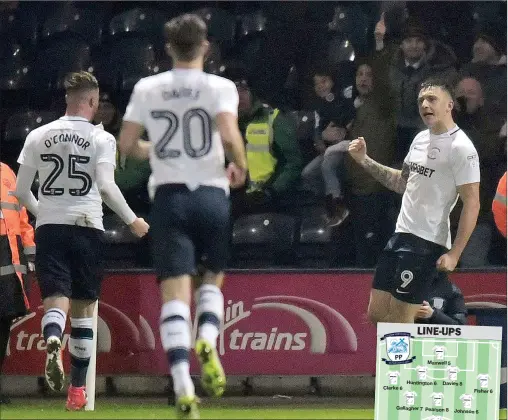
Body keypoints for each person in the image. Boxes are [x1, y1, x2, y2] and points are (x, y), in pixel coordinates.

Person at [118, 14, 247, 419]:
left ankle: (183, 384)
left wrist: (156, 149)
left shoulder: (147, 87)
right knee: (212, 279)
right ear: (205, 46)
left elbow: (126, 145)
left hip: (170, 198)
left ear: (168, 48)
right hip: (211, 194)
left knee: (174, 295)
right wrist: (240, 165)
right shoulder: (220, 86)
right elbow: (227, 133)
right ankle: (207, 337)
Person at [14, 71, 149, 411]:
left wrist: (45, 211)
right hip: (87, 225)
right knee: (85, 310)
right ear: (92, 101)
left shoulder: (37, 135)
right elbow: (105, 186)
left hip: (50, 227)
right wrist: (132, 220)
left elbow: (19, 191)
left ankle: (54, 336)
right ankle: (76, 391)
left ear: (66, 100)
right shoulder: (102, 139)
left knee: (55, 297)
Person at [349, 78, 480, 324]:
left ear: (449, 105)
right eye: (421, 100)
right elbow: (402, 183)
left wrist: (455, 253)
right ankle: (401, 361)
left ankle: (405, 363)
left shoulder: (461, 147)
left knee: (401, 320)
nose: (425, 104)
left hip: (426, 242)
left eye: (432, 99)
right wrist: (364, 160)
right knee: (376, 315)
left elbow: (472, 203)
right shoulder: (420, 139)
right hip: (400, 236)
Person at [0, 162, 35, 404]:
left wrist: (30, 250)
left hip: (8, 253)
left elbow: (21, 215)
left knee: (3, 322)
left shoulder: (6, 172)